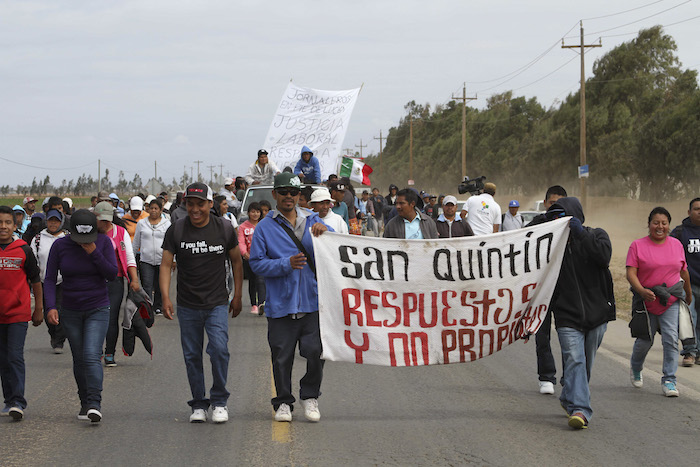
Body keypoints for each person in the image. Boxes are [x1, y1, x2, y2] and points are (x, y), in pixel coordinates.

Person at [249, 172, 331, 423]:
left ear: (299, 196)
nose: (288, 196)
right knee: (281, 357)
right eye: (283, 191)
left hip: (312, 301)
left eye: (293, 192)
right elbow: (256, 264)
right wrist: (285, 264)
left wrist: (324, 231)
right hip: (281, 305)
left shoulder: (314, 222)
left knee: (315, 352)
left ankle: (310, 396)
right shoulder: (264, 227)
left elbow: (332, 254)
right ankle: (283, 402)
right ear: (274, 194)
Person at [160, 182, 243, 424]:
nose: (195, 209)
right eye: (190, 204)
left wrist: (237, 295)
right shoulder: (176, 230)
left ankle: (219, 401)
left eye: (200, 204)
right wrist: (165, 296)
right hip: (187, 304)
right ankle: (198, 403)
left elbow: (237, 262)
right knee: (191, 355)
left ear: (210, 204)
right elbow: (166, 264)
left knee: (219, 350)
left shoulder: (224, 228)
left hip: (217, 302)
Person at [545, 197, 615, 429]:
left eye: (563, 215)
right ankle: (581, 410)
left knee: (585, 364)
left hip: (597, 315)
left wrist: (580, 234)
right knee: (575, 359)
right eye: (554, 217)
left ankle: (569, 397)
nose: (558, 221)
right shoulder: (550, 248)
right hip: (567, 316)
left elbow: (603, 258)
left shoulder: (597, 235)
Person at [45, 209, 117, 423]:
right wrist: (50, 306)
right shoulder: (60, 246)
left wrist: (94, 252)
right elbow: (49, 279)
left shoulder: (103, 243)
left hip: (98, 308)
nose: (83, 242)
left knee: (91, 355)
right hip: (70, 309)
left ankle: (95, 403)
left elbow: (112, 274)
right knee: (78, 358)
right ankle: (84, 402)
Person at [628, 207, 692, 397]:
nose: (660, 226)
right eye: (656, 222)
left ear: (668, 226)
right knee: (644, 342)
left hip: (670, 301)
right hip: (646, 301)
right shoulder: (637, 246)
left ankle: (669, 380)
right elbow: (631, 272)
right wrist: (641, 290)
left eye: (664, 223)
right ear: (649, 225)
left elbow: (683, 271)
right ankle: (636, 367)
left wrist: (688, 294)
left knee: (671, 339)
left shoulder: (676, 245)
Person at [0, 205, 43, 420]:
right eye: (0, 223)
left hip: (18, 314)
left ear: (15, 225)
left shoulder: (24, 249)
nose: (3, 227)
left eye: (8, 222)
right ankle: (9, 400)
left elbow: (35, 280)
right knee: (3, 359)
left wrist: (39, 310)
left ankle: (18, 401)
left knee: (15, 356)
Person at [527, 185, 568, 395]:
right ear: (545, 204)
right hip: (541, 290)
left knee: (568, 336)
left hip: (566, 290)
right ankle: (546, 377)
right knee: (542, 335)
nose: (557, 207)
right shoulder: (536, 225)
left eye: (561, 203)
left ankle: (569, 378)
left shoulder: (573, 225)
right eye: (553, 203)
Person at [93, 201, 140, 368]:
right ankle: (95, 351)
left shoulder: (120, 232)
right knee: (94, 316)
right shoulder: (89, 234)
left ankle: (109, 352)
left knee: (111, 317)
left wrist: (134, 280)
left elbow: (129, 258)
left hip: (115, 281)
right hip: (93, 282)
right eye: (101, 220)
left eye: (107, 220)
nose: (105, 224)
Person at [30, 209, 68, 353]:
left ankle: (59, 340)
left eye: (56, 221)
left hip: (64, 281)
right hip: (44, 281)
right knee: (47, 311)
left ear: (61, 222)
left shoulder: (67, 237)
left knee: (61, 310)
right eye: (51, 220)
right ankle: (53, 334)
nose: (53, 223)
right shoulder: (38, 239)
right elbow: (33, 259)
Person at [671, 197, 700, 367]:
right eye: (696, 209)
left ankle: (698, 352)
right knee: (689, 317)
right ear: (689, 212)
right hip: (686, 284)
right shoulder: (680, 232)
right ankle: (689, 352)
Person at [133, 199, 171, 317]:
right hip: (145, 260)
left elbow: (170, 243)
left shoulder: (166, 224)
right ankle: (147, 307)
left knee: (160, 285)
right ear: (147, 209)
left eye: (156, 208)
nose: (153, 211)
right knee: (147, 285)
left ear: (160, 210)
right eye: (151, 208)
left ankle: (158, 306)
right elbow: (136, 243)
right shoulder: (141, 223)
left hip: (162, 260)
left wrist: (173, 260)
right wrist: (132, 259)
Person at [238, 202, 266, 315]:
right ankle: (254, 304)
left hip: (262, 259)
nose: (255, 214)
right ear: (249, 213)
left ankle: (262, 303)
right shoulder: (243, 227)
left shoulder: (264, 225)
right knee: (252, 281)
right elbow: (241, 242)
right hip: (249, 259)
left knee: (261, 280)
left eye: (258, 212)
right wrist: (245, 254)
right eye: (253, 211)